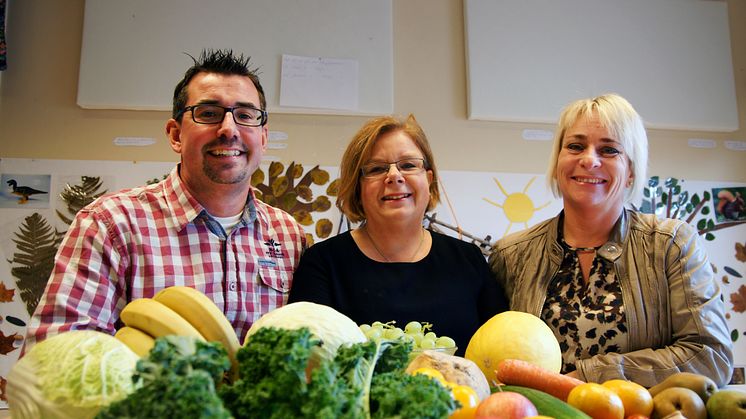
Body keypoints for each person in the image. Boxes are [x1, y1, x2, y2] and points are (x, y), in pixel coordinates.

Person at [25, 49, 306, 348]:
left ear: (263, 137)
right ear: (175, 135)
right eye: (208, 113)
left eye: (246, 116)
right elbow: (54, 354)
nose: (228, 129)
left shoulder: (289, 236)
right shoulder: (110, 225)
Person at [489, 93, 733, 387]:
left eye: (608, 150)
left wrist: (590, 376)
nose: (589, 160)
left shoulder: (671, 245)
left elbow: (710, 357)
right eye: (575, 146)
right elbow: (491, 359)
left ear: (630, 171)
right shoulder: (511, 255)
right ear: (557, 163)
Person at [288, 115, 507, 355]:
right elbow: (308, 358)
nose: (394, 176)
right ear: (357, 186)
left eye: (408, 165)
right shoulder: (322, 264)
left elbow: (500, 351)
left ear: (429, 180)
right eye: (376, 169)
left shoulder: (468, 261)